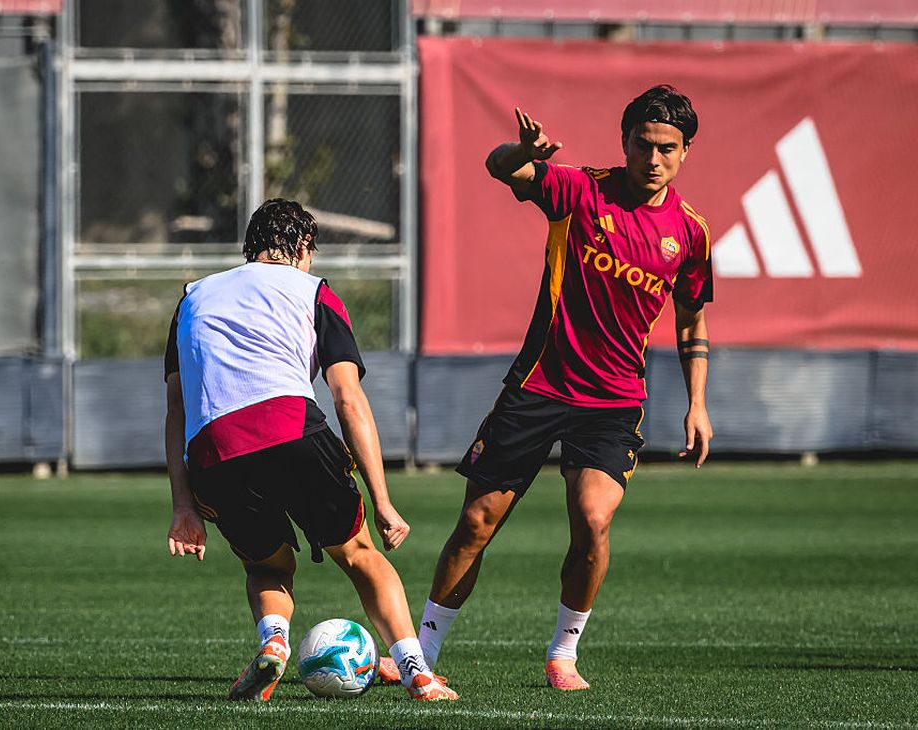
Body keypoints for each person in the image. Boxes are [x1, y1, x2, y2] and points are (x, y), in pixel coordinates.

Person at [408, 85, 714, 690]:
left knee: (593, 521)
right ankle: (421, 654)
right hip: (537, 387)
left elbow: (692, 317)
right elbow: (502, 169)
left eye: (668, 149)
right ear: (625, 143)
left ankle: (563, 653)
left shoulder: (691, 233)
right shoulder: (578, 190)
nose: (653, 159)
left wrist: (697, 402)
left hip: (614, 401)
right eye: (643, 145)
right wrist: (520, 150)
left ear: (686, 153)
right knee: (476, 522)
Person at [163, 198, 457, 702]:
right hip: (289, 426)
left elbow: (176, 411)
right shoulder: (314, 291)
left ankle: (274, 641)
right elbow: (348, 398)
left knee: (266, 566)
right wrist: (382, 501)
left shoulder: (193, 296)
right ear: (303, 248)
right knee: (361, 555)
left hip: (213, 450)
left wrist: (183, 504)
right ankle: (416, 671)